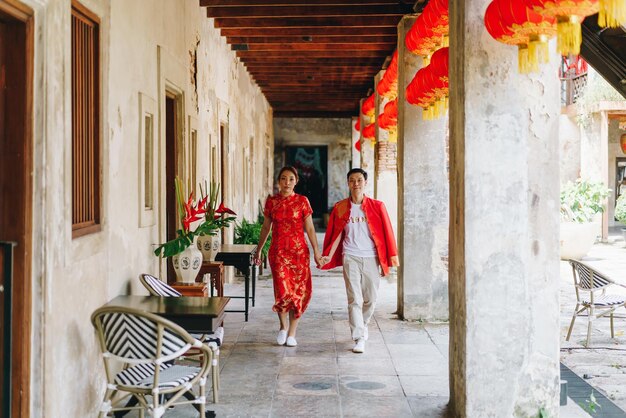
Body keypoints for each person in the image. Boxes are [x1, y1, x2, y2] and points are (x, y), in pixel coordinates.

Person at [320, 168, 399, 354]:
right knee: (354, 298)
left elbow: (387, 232)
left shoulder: (377, 206)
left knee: (371, 299)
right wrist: (329, 255)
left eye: (359, 180)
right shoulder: (340, 207)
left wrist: (389, 258)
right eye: (352, 180)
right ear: (348, 183)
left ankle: (363, 324)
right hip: (351, 256)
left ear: (365, 183)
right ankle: (358, 337)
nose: (356, 183)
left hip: (371, 257)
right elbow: (337, 234)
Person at [255, 166, 323, 347]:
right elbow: (265, 227)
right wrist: (259, 248)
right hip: (278, 252)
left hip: (299, 253)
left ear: (296, 181)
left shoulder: (302, 201)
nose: (287, 182)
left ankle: (292, 332)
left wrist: (316, 250)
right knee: (282, 291)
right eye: (284, 178)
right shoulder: (271, 202)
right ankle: (283, 327)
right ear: (278, 181)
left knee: (297, 293)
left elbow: (309, 228)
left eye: (291, 179)